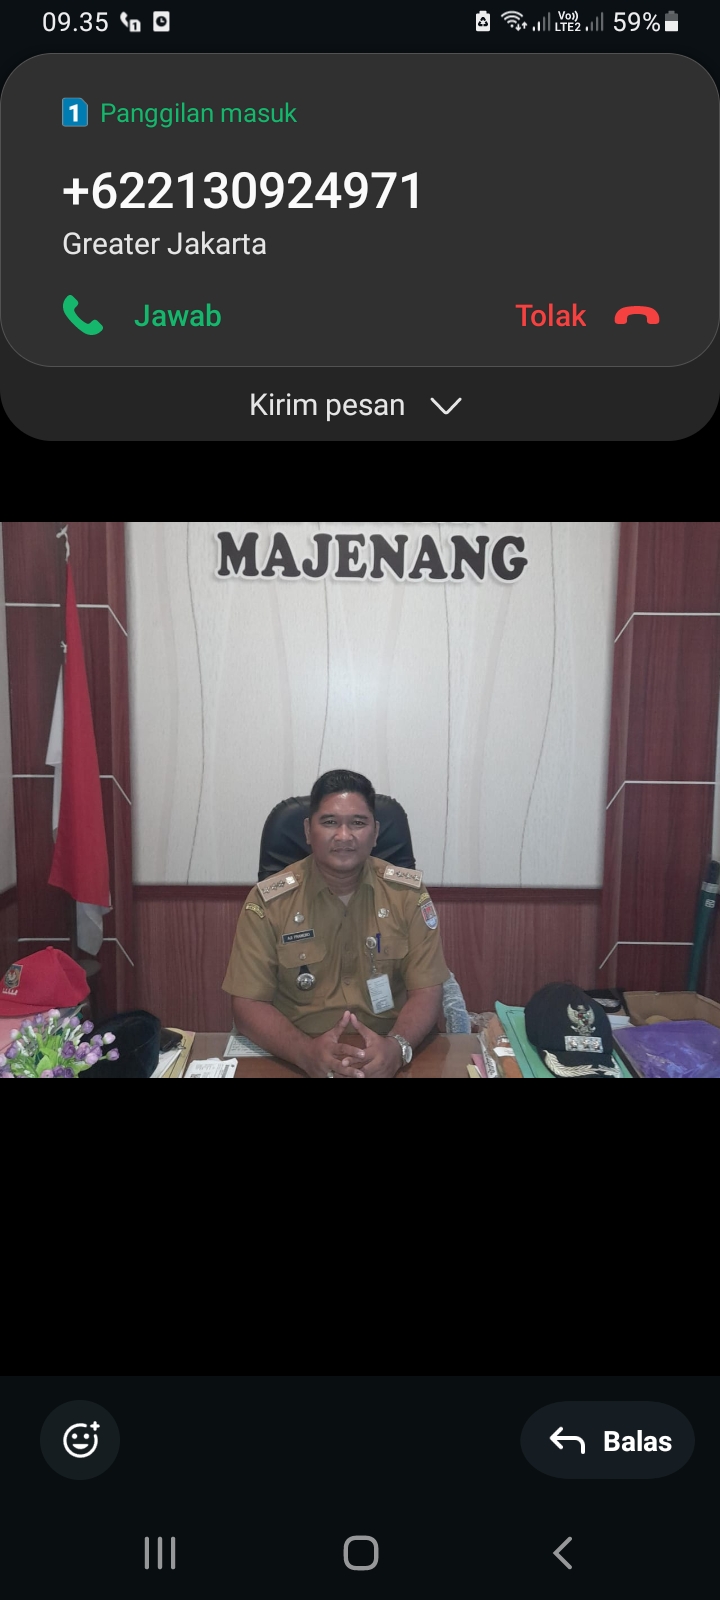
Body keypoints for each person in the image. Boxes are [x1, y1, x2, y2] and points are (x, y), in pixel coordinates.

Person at [222, 770, 451, 1077]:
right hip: (295, 1056)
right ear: (308, 830)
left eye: (358, 823)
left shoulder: (407, 895)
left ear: (375, 832)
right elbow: (247, 1004)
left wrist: (397, 1048)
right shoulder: (268, 902)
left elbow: (427, 990)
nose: (344, 836)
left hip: (389, 1053)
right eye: (330, 822)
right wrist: (304, 1053)